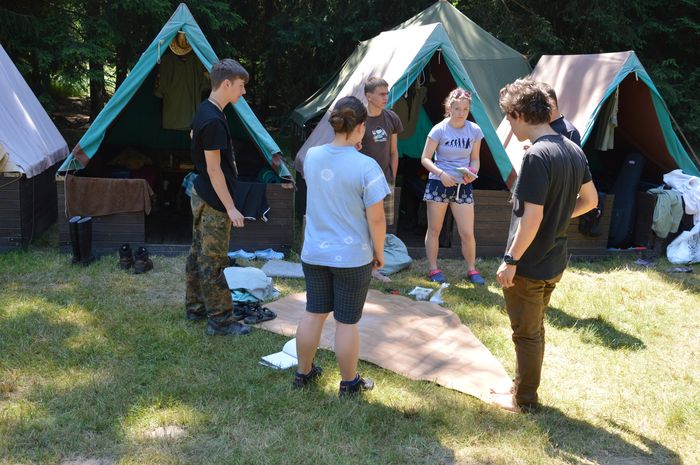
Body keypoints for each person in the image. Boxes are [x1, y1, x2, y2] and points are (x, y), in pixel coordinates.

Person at [494, 79, 598, 413]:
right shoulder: (573, 148)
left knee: (526, 334)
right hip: (554, 260)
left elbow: (532, 217)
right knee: (534, 329)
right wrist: (559, 214)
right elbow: (591, 200)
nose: (510, 126)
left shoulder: (537, 155)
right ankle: (520, 386)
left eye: (509, 118)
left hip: (530, 263)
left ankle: (524, 400)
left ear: (521, 114)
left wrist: (511, 259)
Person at [293, 96, 390, 396]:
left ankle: (303, 373)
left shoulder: (312, 156)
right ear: (361, 127)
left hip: (314, 252)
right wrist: (379, 252)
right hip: (352, 256)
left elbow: (329, 180)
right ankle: (349, 383)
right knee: (346, 322)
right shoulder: (367, 166)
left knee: (314, 312)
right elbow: (377, 219)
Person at [185, 58, 251, 336]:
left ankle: (195, 308)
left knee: (197, 253)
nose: (243, 91)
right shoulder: (213, 119)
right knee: (213, 261)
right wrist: (231, 207)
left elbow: (192, 134)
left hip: (201, 193)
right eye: (241, 86)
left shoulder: (206, 109)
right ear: (226, 84)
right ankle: (221, 321)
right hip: (213, 200)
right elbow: (214, 170)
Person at [420, 88, 485, 285]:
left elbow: (475, 159)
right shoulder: (439, 129)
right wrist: (441, 174)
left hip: (462, 186)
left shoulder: (474, 130)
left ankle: (472, 269)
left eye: (465, 109)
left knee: (467, 232)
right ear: (449, 108)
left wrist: (472, 173)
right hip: (438, 184)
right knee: (435, 229)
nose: (461, 113)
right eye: (457, 109)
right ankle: (433, 268)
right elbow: (425, 158)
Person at [360, 77, 403, 226]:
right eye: (381, 94)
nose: (386, 97)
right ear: (369, 96)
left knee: (380, 225)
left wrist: (392, 177)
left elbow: (394, 152)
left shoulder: (392, 118)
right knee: (361, 224)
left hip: (385, 181)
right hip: (362, 181)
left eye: (387, 93)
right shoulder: (359, 120)